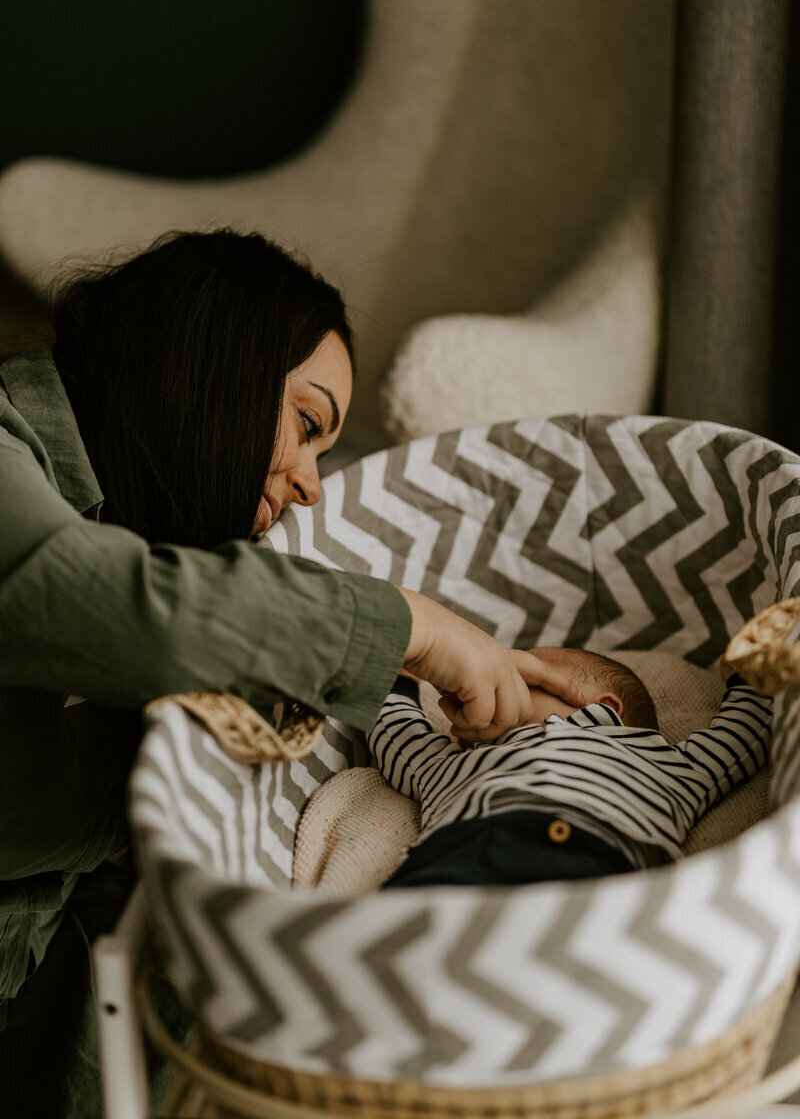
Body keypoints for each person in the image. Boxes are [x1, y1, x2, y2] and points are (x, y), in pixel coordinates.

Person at [0, 228, 584, 1118]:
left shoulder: (144, 543)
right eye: (307, 425)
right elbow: (96, 603)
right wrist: (409, 627)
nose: (311, 485)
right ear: (213, 363)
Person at [369, 647, 772, 888]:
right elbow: (398, 736)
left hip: (593, 865)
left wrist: (751, 680)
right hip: (452, 863)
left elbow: (742, 736)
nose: (498, 685)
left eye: (523, 678)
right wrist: (393, 679)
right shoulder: (452, 764)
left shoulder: (665, 763)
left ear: (603, 708)